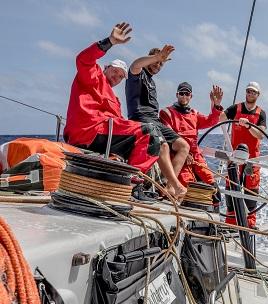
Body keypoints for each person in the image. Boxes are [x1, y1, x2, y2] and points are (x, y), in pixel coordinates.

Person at [64, 22, 163, 176]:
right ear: (106, 67)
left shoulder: (115, 99)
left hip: (104, 133)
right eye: (115, 71)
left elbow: (120, 123)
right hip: (89, 132)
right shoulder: (93, 76)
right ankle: (132, 182)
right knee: (149, 133)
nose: (117, 77)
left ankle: (131, 178)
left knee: (150, 140)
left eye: (121, 76)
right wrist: (109, 42)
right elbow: (83, 60)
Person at [125, 45, 189, 196]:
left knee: (183, 146)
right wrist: (157, 57)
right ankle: (176, 185)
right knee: (163, 146)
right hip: (141, 120)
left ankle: (168, 187)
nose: (158, 65)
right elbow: (135, 65)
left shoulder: (152, 82)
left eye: (161, 63)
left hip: (155, 121)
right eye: (156, 61)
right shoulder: (138, 74)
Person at [159, 83, 224, 206]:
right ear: (177, 95)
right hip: (178, 155)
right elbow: (168, 137)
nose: (184, 96)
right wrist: (185, 153)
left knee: (212, 185)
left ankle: (213, 218)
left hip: (196, 156)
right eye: (181, 93)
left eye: (187, 94)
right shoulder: (166, 113)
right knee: (189, 187)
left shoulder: (194, 114)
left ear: (191, 96)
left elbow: (211, 121)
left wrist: (216, 105)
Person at [219, 82, 267, 229]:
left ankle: (250, 223)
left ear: (258, 95)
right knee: (231, 186)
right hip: (235, 156)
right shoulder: (236, 108)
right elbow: (221, 118)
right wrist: (218, 106)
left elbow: (261, 134)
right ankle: (230, 222)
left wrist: (248, 125)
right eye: (248, 91)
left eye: (253, 92)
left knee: (251, 189)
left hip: (252, 159)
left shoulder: (261, 113)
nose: (250, 94)